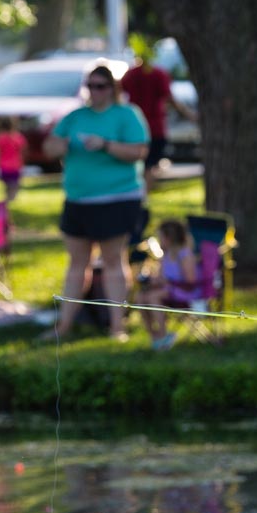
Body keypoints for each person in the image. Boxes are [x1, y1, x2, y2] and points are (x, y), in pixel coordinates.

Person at [42, 65, 151, 343]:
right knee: (77, 263)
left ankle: (118, 327)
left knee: (114, 260)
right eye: (91, 85)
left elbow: (138, 152)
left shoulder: (127, 115)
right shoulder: (75, 116)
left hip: (117, 198)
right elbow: (50, 146)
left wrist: (105, 145)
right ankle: (64, 326)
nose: (95, 91)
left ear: (112, 88)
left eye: (101, 85)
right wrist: (60, 146)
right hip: (78, 199)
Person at [120, 40, 196, 194]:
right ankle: (143, 197)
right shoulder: (159, 74)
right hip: (154, 127)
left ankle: (138, 196)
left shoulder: (130, 74)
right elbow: (170, 99)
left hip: (135, 127)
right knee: (150, 165)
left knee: (140, 164)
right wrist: (189, 114)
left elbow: (119, 94)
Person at [135, 219, 202, 351]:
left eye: (160, 237)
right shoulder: (165, 256)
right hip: (169, 290)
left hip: (186, 293)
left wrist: (168, 283)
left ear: (169, 238)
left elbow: (190, 281)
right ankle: (154, 336)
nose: (159, 240)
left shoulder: (184, 255)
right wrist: (151, 280)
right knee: (139, 297)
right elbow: (161, 277)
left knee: (153, 297)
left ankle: (163, 334)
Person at [0, 120, 27, 202]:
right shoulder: (18, 137)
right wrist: (23, 164)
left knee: (7, 185)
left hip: (3, 166)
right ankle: (11, 199)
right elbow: (22, 153)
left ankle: (8, 199)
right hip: (16, 165)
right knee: (14, 185)